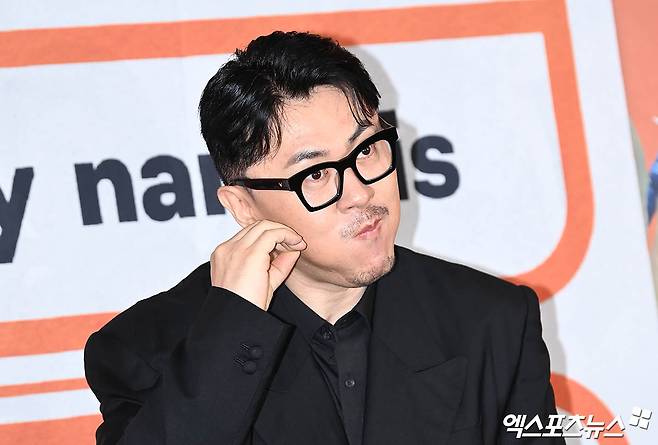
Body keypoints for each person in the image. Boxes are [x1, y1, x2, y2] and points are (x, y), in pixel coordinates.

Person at [84, 30, 564, 445]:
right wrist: (231, 333)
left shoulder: (493, 321)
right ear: (243, 205)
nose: (360, 193)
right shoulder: (146, 348)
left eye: (367, 150)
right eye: (315, 174)